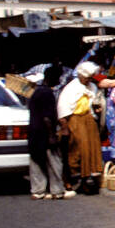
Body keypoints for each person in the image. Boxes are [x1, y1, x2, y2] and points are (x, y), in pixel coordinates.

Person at [57, 61, 105, 193]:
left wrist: (97, 109)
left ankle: (87, 179)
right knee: (77, 150)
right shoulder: (71, 88)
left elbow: (92, 102)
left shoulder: (91, 87)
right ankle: (72, 179)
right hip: (75, 120)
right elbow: (63, 108)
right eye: (87, 77)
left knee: (91, 150)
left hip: (88, 120)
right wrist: (64, 126)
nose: (89, 80)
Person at [28, 66, 72, 200]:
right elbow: (47, 117)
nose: (59, 80)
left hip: (34, 132)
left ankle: (37, 191)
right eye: (58, 77)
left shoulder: (36, 91)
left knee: (36, 161)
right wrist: (52, 135)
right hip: (44, 133)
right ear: (51, 78)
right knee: (54, 161)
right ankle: (57, 190)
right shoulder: (47, 93)